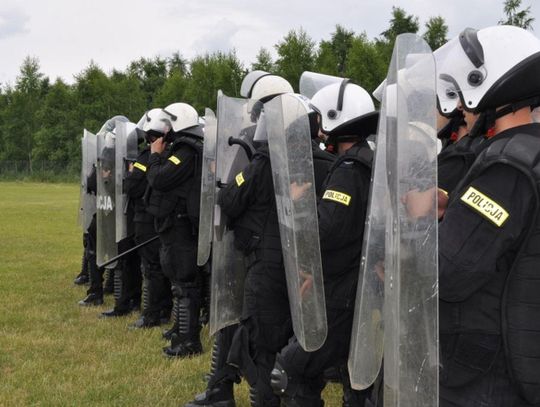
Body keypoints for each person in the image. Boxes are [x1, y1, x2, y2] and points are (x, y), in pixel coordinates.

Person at [433, 25, 540, 406]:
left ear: (486, 83)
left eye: (464, 95)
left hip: (487, 369)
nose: (460, 107)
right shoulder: (530, 150)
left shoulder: (504, 166)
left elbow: (450, 271)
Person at [184, 72, 294, 407]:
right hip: (286, 254)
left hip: (251, 249)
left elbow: (231, 195)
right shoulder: (302, 142)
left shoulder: (252, 141)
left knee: (235, 321)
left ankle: (221, 389)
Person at [271, 81, 378, 406]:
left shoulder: (348, 169)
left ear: (335, 119)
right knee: (354, 378)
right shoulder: (367, 159)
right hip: (353, 286)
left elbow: (327, 229)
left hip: (339, 293)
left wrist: (300, 204)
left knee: (289, 371)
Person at [145, 103, 205, 358]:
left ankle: (188, 341)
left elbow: (160, 178)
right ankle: (180, 331)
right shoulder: (182, 148)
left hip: (182, 227)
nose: (165, 130)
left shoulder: (186, 151)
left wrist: (155, 155)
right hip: (175, 225)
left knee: (185, 283)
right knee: (178, 281)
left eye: (170, 124)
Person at [127, 111, 173, 328]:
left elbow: (132, 186)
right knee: (162, 267)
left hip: (145, 220)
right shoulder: (171, 156)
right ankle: (163, 310)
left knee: (152, 268)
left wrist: (131, 172)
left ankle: (153, 314)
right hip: (161, 219)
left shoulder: (147, 157)